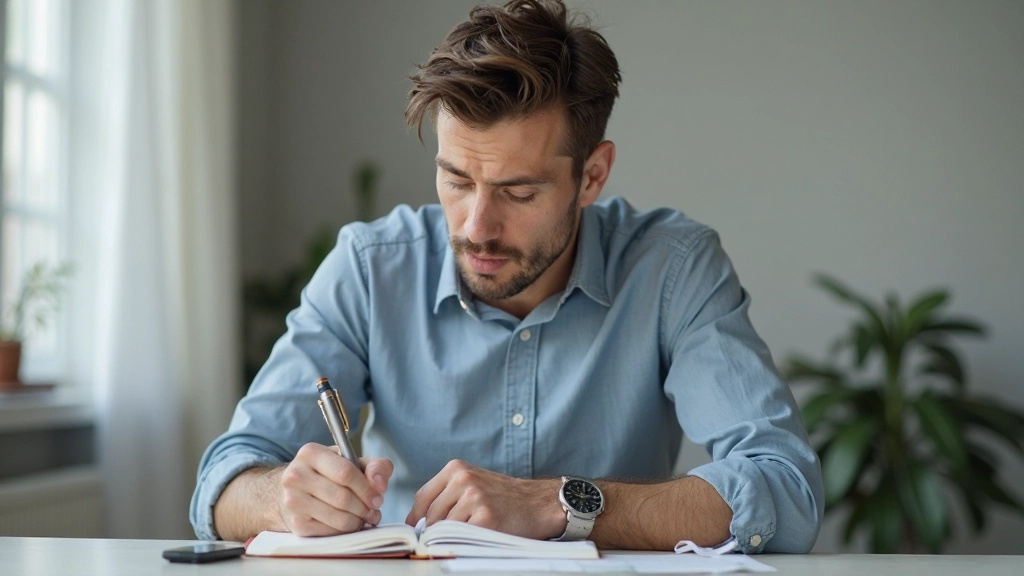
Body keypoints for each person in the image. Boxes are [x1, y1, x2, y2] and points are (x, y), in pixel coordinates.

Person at [191, 0, 823, 553]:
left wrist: (560, 504)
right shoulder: (369, 268)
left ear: (592, 177)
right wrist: (283, 497)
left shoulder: (673, 270)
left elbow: (786, 491)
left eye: (518, 192)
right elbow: (223, 485)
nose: (477, 226)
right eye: (457, 180)